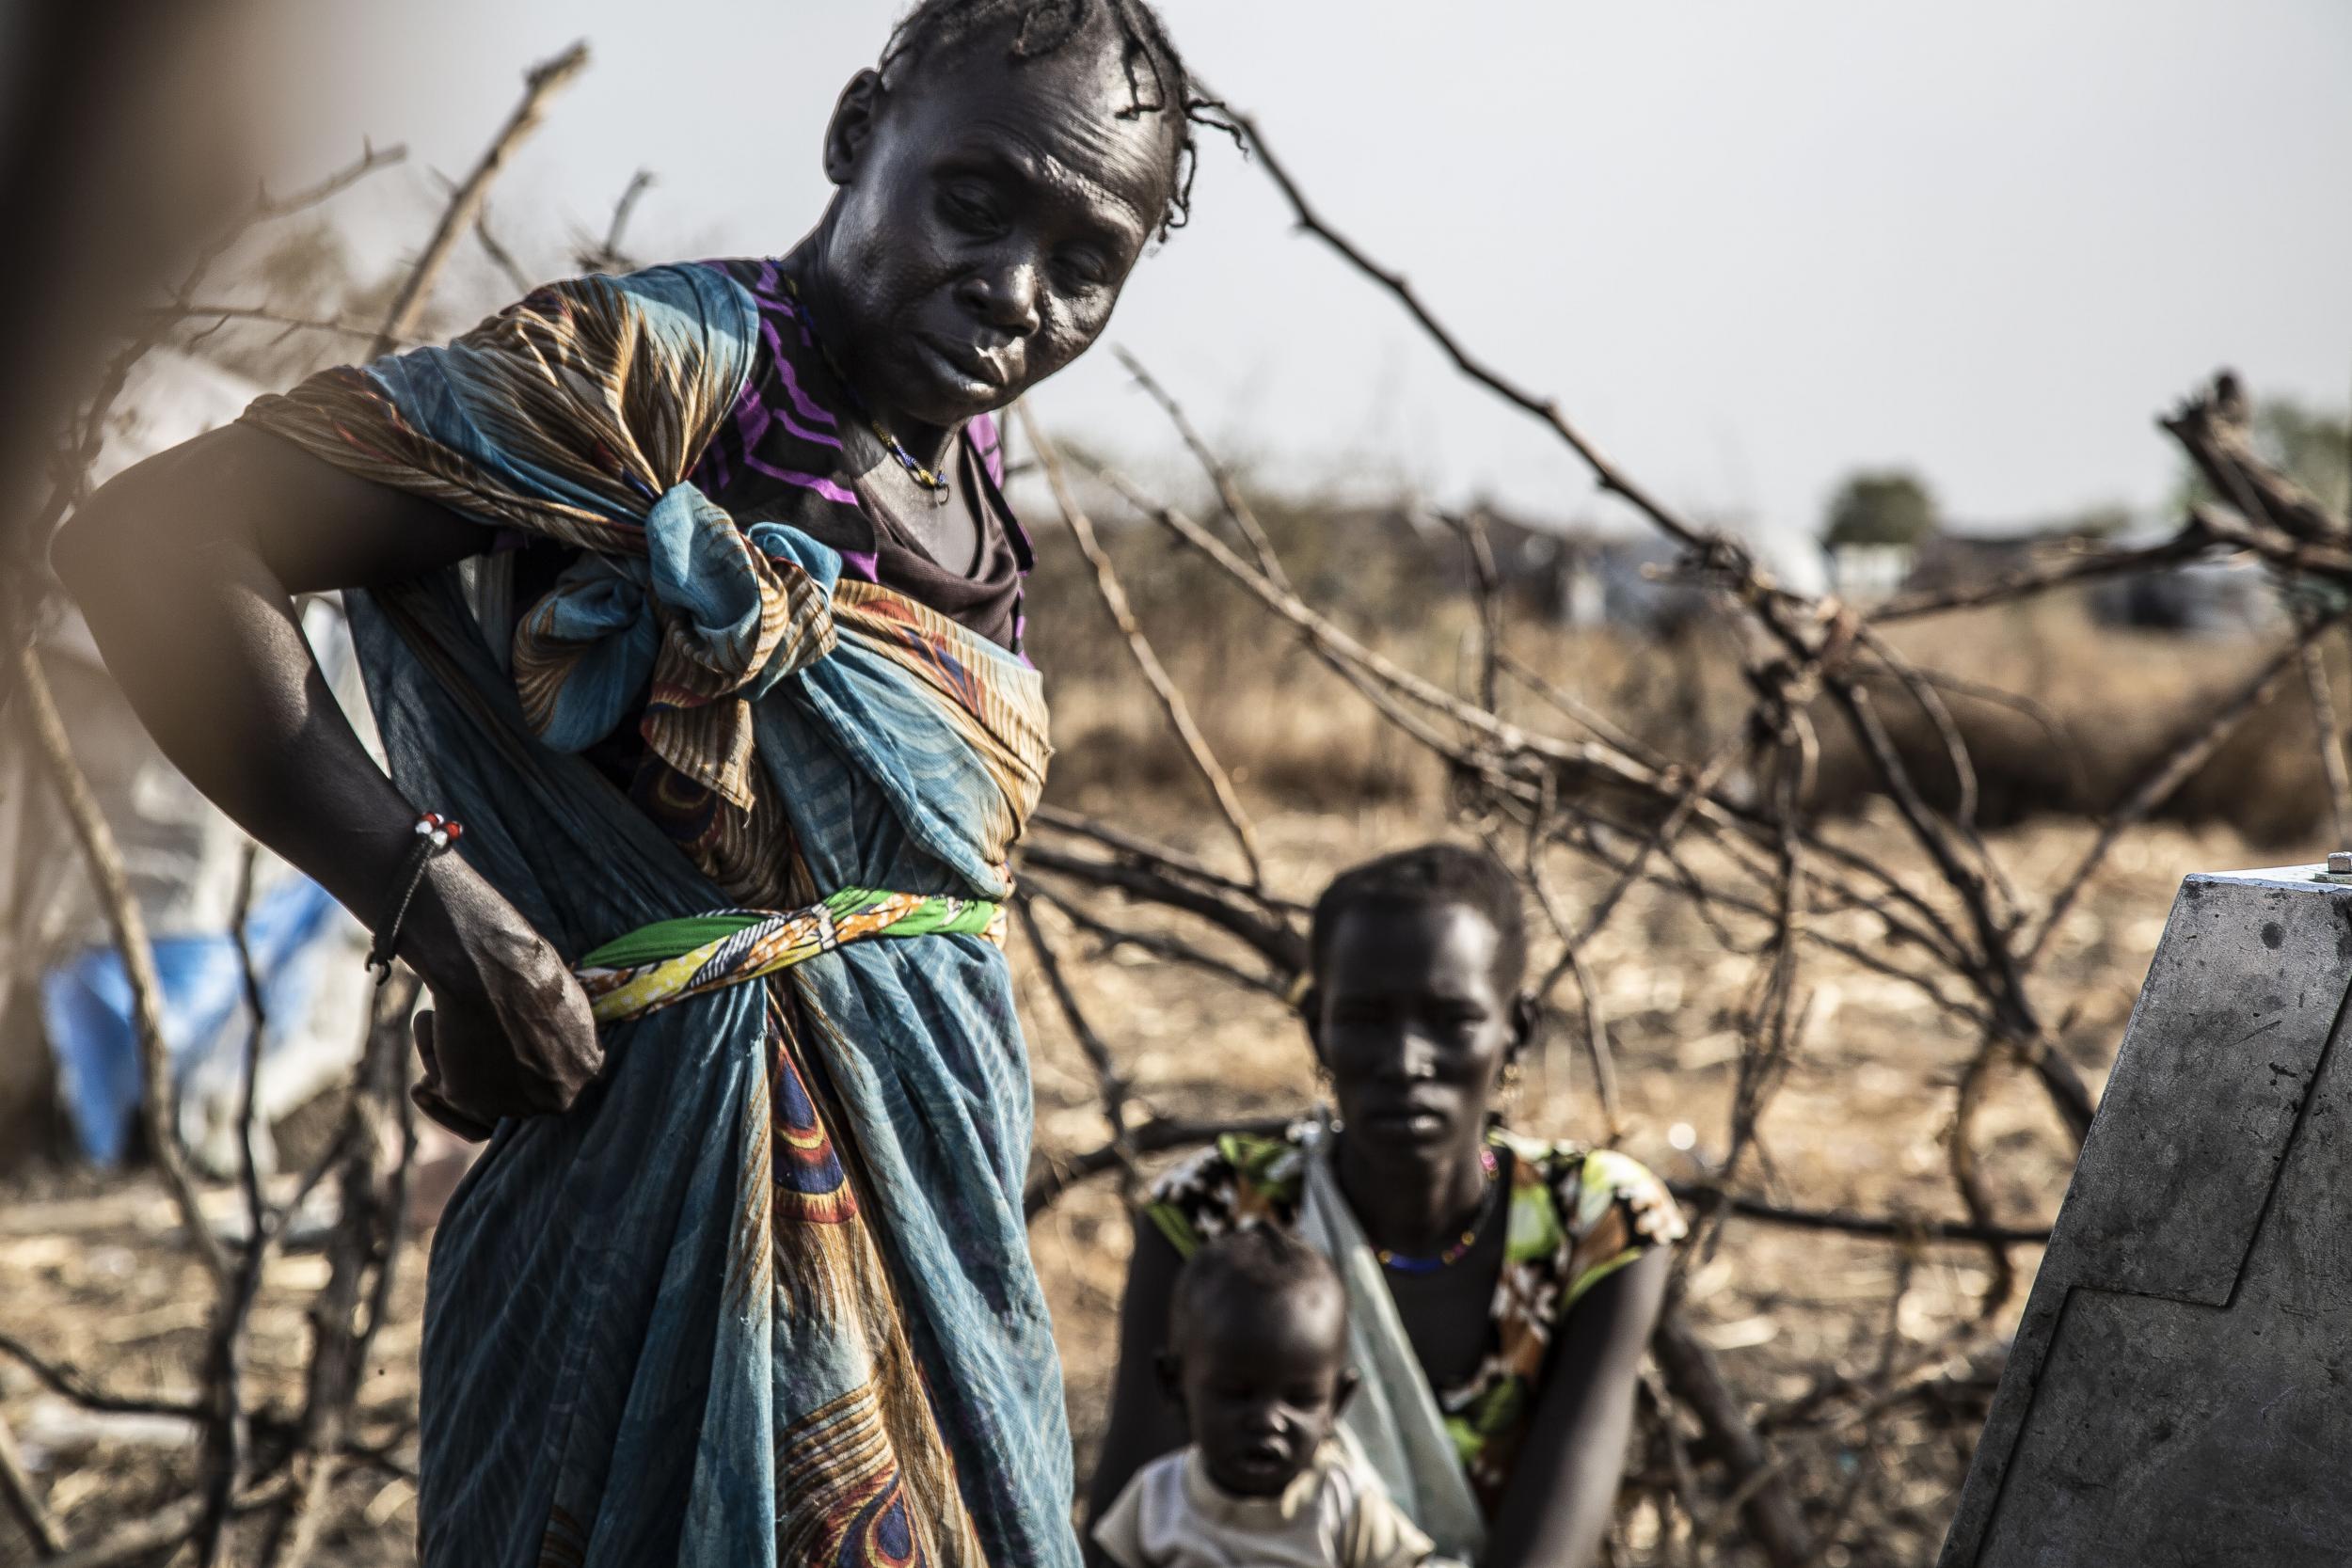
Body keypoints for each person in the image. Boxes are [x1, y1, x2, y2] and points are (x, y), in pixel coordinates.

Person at [52, 3, 1220, 1562]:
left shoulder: (966, 467)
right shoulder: (658, 376)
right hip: (649, 1212)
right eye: (977, 203)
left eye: (1086, 266)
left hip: (934, 1221)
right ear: (859, 134)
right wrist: (439, 906)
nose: (1014, 294)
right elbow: (159, 545)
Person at [1091, 846, 1686, 1568]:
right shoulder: (1213, 1212)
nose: (1405, 1060)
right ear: (1317, 1026)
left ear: (1515, 1031)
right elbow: (1128, 1536)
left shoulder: (1597, 1222)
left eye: (1451, 1018)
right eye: (1367, 1018)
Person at [1093, 1227, 1461, 1568]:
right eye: (1237, 1394)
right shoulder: (1157, 1498)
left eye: (1300, 1399)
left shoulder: (1342, 1502)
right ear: (1174, 1384)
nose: (1268, 1420)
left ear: (1337, 1401)